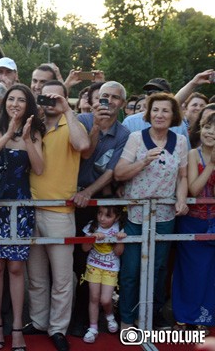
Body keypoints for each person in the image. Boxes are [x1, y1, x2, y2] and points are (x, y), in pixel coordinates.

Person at [114, 92, 189, 331]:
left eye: (166, 110)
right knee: (131, 270)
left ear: (173, 115)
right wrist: (144, 161)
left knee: (158, 270)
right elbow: (119, 173)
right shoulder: (136, 138)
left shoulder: (180, 141)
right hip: (136, 214)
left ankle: (149, 316)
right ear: (149, 113)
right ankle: (127, 317)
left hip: (165, 216)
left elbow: (183, 176)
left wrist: (181, 200)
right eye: (156, 110)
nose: (160, 115)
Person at [26, 80, 90, 351]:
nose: (51, 102)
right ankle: (39, 322)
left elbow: (83, 145)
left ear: (65, 99)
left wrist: (67, 109)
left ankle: (58, 329)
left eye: (57, 98)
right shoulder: (34, 126)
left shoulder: (72, 124)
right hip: (30, 210)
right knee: (36, 275)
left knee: (63, 278)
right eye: (47, 98)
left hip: (61, 212)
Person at [0, 84, 44, 351]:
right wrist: (7, 134)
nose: (15, 104)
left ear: (28, 104)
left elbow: (39, 168)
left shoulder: (36, 129)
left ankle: (17, 326)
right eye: (11, 99)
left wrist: (27, 138)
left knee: (17, 268)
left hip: (21, 205)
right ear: (5, 102)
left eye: (21, 100)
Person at [69, 81, 130, 336]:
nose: (108, 101)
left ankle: (92, 318)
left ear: (122, 104)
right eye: (104, 96)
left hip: (96, 203)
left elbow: (110, 173)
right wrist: (95, 125)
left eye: (115, 98)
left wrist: (88, 193)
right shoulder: (81, 119)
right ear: (95, 98)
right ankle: (77, 316)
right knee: (75, 263)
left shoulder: (124, 133)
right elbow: (84, 154)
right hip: (69, 197)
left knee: (95, 261)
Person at [172, 112, 215, 333]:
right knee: (187, 271)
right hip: (191, 221)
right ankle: (182, 317)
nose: (211, 133)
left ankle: (204, 319)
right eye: (208, 127)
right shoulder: (192, 154)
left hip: (213, 222)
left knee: (209, 273)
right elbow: (194, 190)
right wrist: (211, 166)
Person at [80, 206, 127, 344]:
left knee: (105, 299)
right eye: (100, 213)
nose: (101, 218)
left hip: (111, 268)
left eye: (108, 216)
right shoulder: (91, 226)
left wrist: (118, 240)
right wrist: (92, 238)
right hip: (93, 265)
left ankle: (109, 316)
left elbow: (119, 253)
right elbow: (84, 248)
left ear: (116, 217)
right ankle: (93, 328)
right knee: (94, 297)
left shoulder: (119, 228)